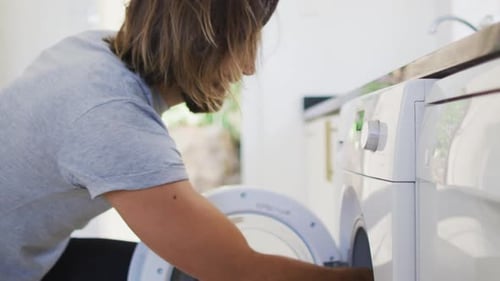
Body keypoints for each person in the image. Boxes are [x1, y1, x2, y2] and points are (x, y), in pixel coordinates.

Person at [0, 0, 373, 280]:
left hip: (34, 256)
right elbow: (237, 271)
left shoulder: (92, 49)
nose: (248, 68)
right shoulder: (111, 117)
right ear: (201, 43)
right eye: (242, 44)